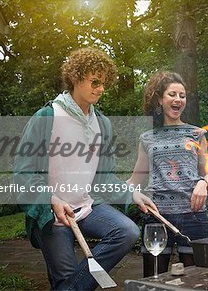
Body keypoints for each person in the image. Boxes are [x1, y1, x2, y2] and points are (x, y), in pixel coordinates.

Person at [13, 47, 156, 290]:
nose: (101, 88)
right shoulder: (46, 116)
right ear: (76, 77)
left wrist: (132, 193)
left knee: (127, 231)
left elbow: (103, 178)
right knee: (66, 278)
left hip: (87, 207)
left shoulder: (102, 123)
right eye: (95, 81)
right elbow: (22, 174)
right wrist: (51, 199)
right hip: (53, 211)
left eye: (104, 83)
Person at [128, 71, 208, 277]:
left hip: (193, 216)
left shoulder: (197, 134)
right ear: (160, 99)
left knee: (196, 281)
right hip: (157, 216)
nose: (178, 100)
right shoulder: (147, 138)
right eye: (172, 94)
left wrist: (203, 184)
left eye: (182, 96)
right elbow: (134, 180)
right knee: (153, 281)